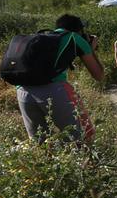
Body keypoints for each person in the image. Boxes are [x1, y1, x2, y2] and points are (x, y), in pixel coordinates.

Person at [15, 14, 103, 144]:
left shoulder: (40, 38)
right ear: (79, 30)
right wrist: (91, 49)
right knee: (81, 138)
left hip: (23, 91)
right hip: (55, 90)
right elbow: (98, 75)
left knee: (40, 144)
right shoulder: (74, 38)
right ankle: (85, 156)